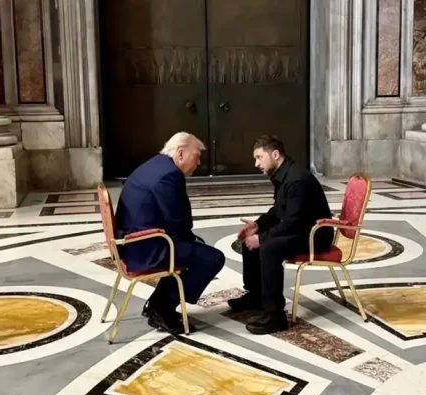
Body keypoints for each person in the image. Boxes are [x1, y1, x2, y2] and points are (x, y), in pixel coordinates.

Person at [115, 132, 225, 334]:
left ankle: (158, 302)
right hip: (146, 246)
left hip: (132, 241)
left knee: (193, 249)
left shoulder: (157, 165)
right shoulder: (169, 175)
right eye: (196, 155)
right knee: (212, 258)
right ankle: (161, 307)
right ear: (181, 153)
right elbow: (178, 221)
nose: (199, 162)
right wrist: (192, 240)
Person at [229, 135, 334, 334]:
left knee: (269, 248)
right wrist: (257, 226)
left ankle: (275, 315)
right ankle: (257, 295)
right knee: (249, 241)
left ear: (275, 155)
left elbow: (294, 221)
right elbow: (279, 211)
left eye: (259, 157)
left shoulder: (297, 180)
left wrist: (261, 238)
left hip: (314, 235)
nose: (256, 163)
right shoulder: (284, 175)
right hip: (301, 229)